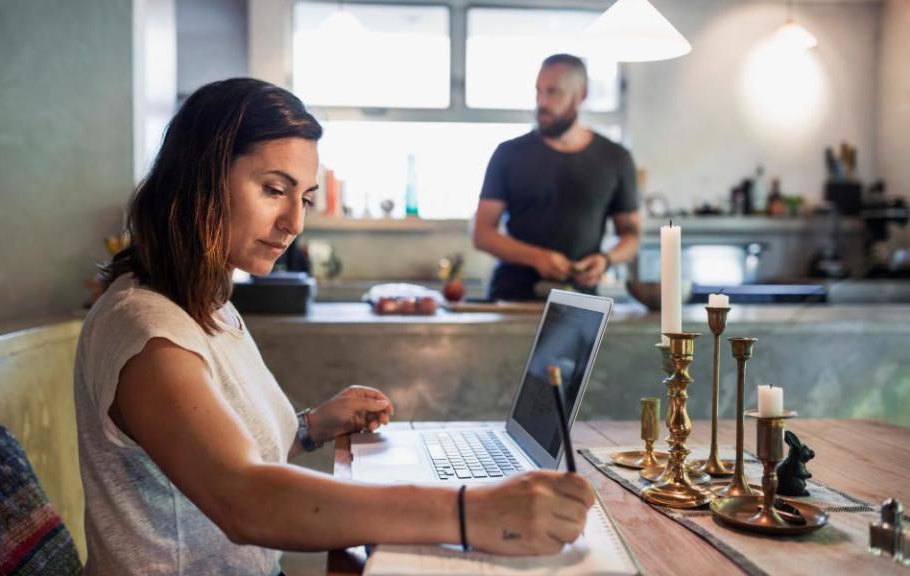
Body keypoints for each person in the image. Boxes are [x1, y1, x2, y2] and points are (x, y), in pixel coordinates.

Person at [74, 78, 595, 575]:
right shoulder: (146, 329)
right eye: (274, 189)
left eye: (302, 197)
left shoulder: (206, 305)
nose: (294, 223)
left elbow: (214, 448)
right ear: (200, 179)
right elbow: (243, 498)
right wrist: (474, 512)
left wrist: (312, 425)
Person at [473, 54, 641, 301]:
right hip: (512, 300)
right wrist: (537, 257)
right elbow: (482, 233)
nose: (542, 102)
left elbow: (631, 235)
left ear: (581, 95)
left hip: (581, 303)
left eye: (553, 93)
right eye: (538, 91)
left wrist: (606, 260)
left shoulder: (616, 157)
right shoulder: (508, 154)